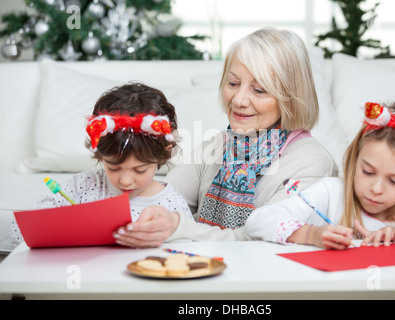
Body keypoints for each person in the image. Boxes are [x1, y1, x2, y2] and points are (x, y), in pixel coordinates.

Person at [114, 27, 338, 247]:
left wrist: (176, 225)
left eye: (259, 90)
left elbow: (258, 239)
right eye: (233, 83)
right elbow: (159, 198)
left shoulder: (313, 164)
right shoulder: (217, 145)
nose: (238, 100)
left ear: (290, 98)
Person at [245, 102, 395, 256]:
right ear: (355, 158)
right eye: (368, 172)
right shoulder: (331, 192)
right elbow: (257, 221)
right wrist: (311, 234)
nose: (376, 188)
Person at [11, 83, 192, 248]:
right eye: (113, 167)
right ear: (99, 154)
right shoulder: (81, 188)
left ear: (165, 153)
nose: (126, 181)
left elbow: (189, 249)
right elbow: (20, 232)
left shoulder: (172, 205)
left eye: (140, 169)